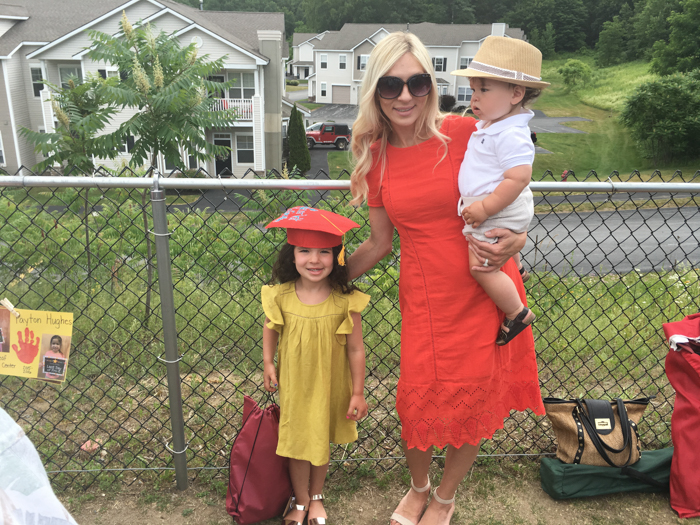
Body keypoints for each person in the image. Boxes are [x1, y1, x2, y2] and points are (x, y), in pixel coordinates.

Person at [348, 32, 545, 525]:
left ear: (431, 87)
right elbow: (379, 243)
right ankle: (418, 487)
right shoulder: (376, 155)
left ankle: (444, 497)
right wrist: (326, 279)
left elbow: (516, 186)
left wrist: (519, 238)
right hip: (427, 299)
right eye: (391, 85)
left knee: (474, 398)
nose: (405, 96)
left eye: (417, 82)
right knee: (415, 402)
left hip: (485, 286)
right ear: (375, 90)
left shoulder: (465, 132)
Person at [261, 206, 371, 525]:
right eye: (304, 251)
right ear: (292, 255)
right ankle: (301, 501)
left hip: (329, 385)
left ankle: (317, 498)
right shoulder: (281, 296)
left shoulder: (345, 300)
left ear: (337, 257)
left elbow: (356, 349)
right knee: (297, 441)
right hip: (294, 385)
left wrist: (358, 392)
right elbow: (270, 326)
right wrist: (268, 362)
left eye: (324, 252)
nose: (314, 260)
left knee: (320, 439)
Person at [452, 36, 550, 345]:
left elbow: (518, 178)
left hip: (497, 207)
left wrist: (484, 208)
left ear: (516, 93)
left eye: (483, 90)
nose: (474, 98)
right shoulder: (497, 125)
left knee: (480, 266)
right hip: (501, 205)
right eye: (473, 90)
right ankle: (517, 269)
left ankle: (516, 312)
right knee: (495, 251)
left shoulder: (511, 133)